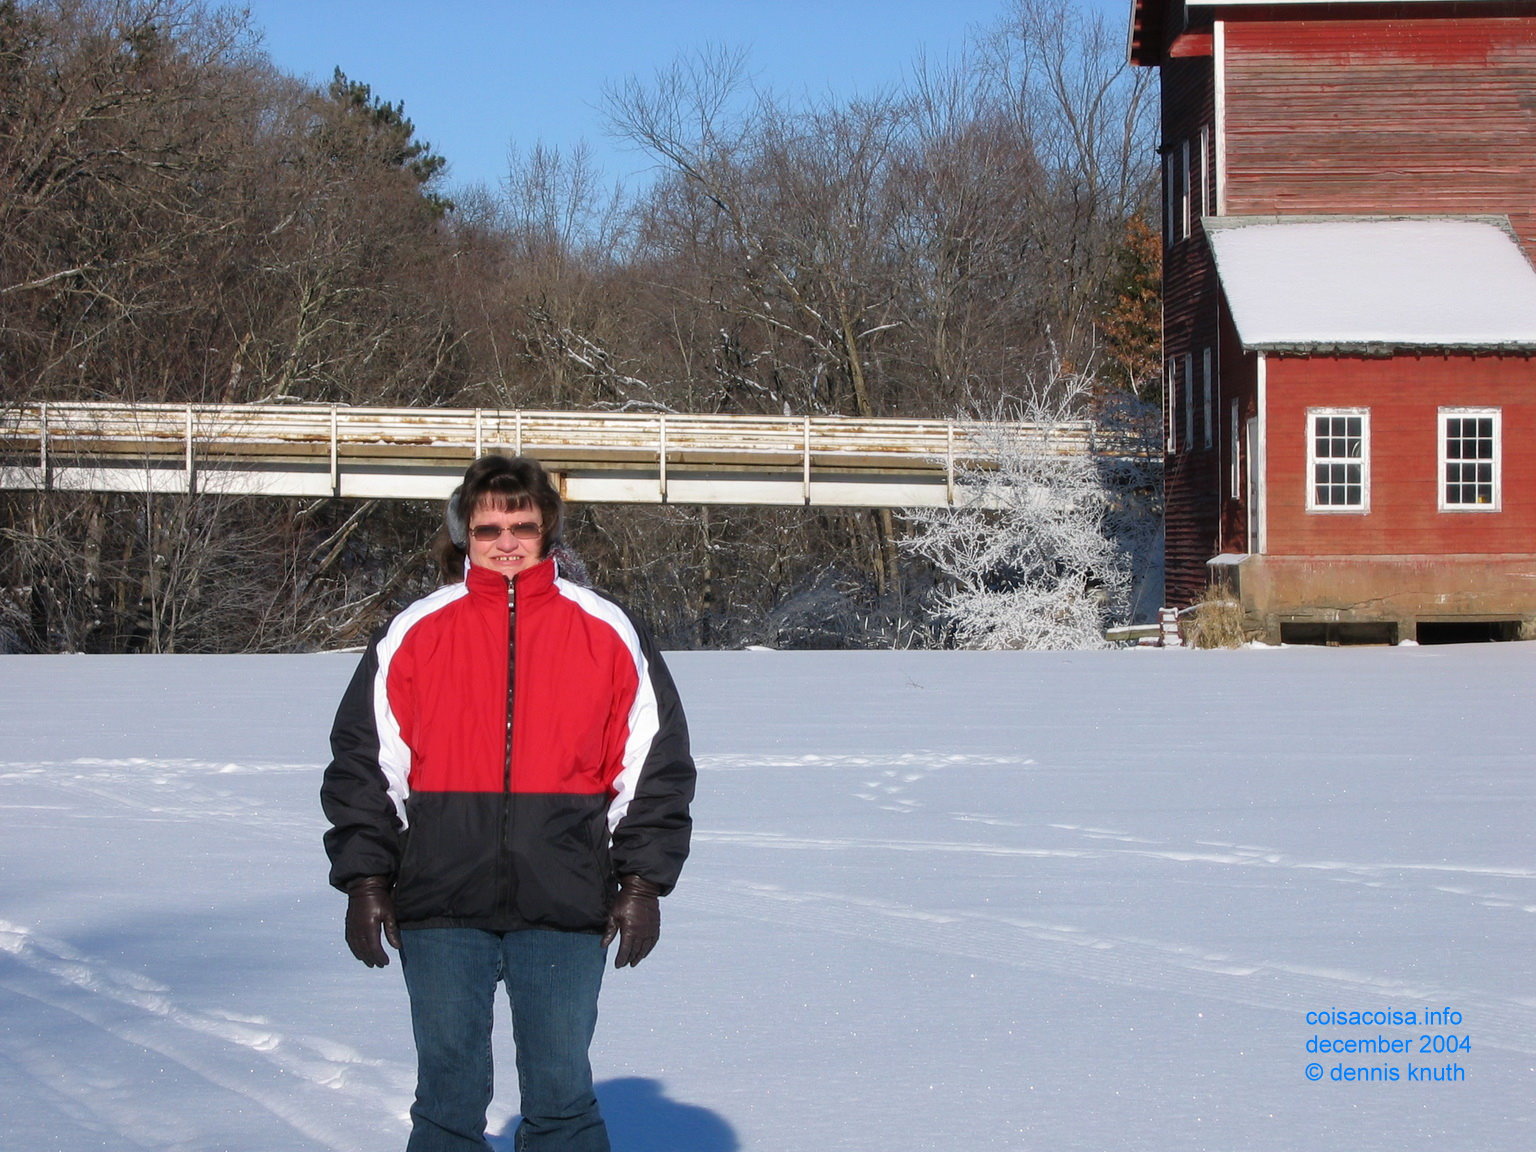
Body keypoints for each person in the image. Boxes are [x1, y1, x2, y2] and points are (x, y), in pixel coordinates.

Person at [321, 454, 695, 1152]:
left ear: (547, 527)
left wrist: (641, 883)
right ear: (464, 531)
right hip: (440, 903)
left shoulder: (608, 628)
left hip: (563, 899)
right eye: (489, 527)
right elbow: (366, 763)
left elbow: (656, 765)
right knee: (446, 1101)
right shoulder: (416, 629)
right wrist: (367, 880)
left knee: (560, 1099)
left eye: (522, 525)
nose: (506, 542)